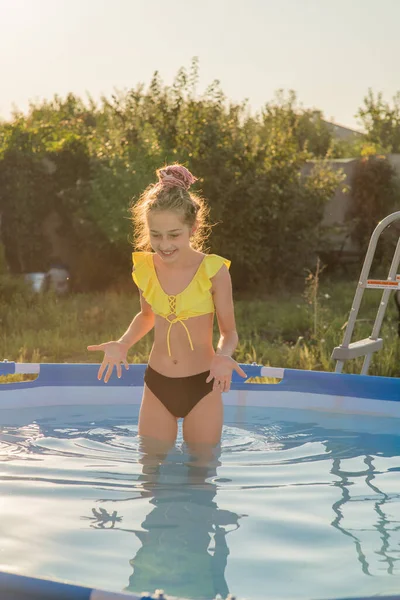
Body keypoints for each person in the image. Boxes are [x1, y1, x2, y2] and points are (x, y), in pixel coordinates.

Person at [88, 164, 246, 449]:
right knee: (150, 475)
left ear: (193, 228)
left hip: (203, 383)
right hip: (157, 384)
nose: (164, 244)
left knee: (202, 476)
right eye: (156, 235)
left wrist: (223, 356)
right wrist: (123, 344)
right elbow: (146, 315)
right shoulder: (145, 268)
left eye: (174, 235)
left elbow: (229, 331)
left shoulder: (213, 271)